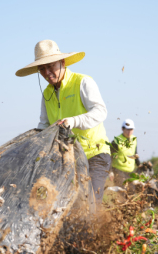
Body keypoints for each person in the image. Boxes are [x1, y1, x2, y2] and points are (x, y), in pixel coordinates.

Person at [15, 40, 111, 204]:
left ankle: (99, 227)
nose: (47, 72)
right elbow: (44, 126)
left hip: (94, 154)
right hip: (68, 158)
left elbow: (101, 112)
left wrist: (74, 121)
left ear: (62, 62)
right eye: (42, 69)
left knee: (91, 201)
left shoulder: (82, 82)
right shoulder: (47, 94)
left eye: (51, 66)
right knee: (65, 204)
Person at [110, 119, 142, 187]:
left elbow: (135, 154)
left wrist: (139, 165)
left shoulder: (134, 139)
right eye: (127, 129)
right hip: (118, 171)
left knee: (132, 191)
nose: (129, 132)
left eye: (131, 130)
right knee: (122, 191)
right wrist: (110, 171)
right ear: (122, 129)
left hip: (130, 171)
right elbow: (110, 157)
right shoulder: (116, 141)